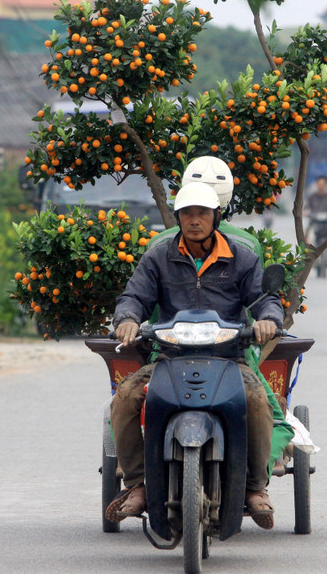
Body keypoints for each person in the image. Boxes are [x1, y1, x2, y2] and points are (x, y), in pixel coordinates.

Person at [106, 182, 284, 530]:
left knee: (259, 402)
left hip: (228, 360)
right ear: (178, 218)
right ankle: (138, 485)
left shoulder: (241, 257)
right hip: (169, 358)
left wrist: (268, 320)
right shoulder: (158, 256)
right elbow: (134, 297)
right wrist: (127, 319)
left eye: (202, 213)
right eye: (187, 214)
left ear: (216, 216)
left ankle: (254, 487)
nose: (194, 220)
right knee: (124, 398)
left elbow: (264, 299)